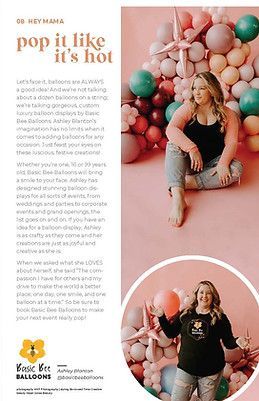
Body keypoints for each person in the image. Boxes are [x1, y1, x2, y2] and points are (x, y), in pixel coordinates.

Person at [165, 71, 243, 227]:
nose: (196, 92)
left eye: (202, 88)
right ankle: (179, 200)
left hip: (213, 164)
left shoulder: (229, 115)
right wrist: (192, 149)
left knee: (236, 169)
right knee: (172, 145)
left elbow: (231, 143)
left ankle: (184, 183)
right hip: (190, 162)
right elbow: (171, 129)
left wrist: (222, 164)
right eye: (194, 88)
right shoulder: (188, 108)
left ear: (212, 90)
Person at [150, 280, 250, 401]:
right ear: (196, 295)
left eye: (208, 293)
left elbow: (228, 342)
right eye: (201, 292)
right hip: (186, 370)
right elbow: (171, 333)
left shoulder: (220, 318)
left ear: (213, 296)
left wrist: (238, 341)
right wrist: (161, 317)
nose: (204, 296)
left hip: (211, 373)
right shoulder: (185, 314)